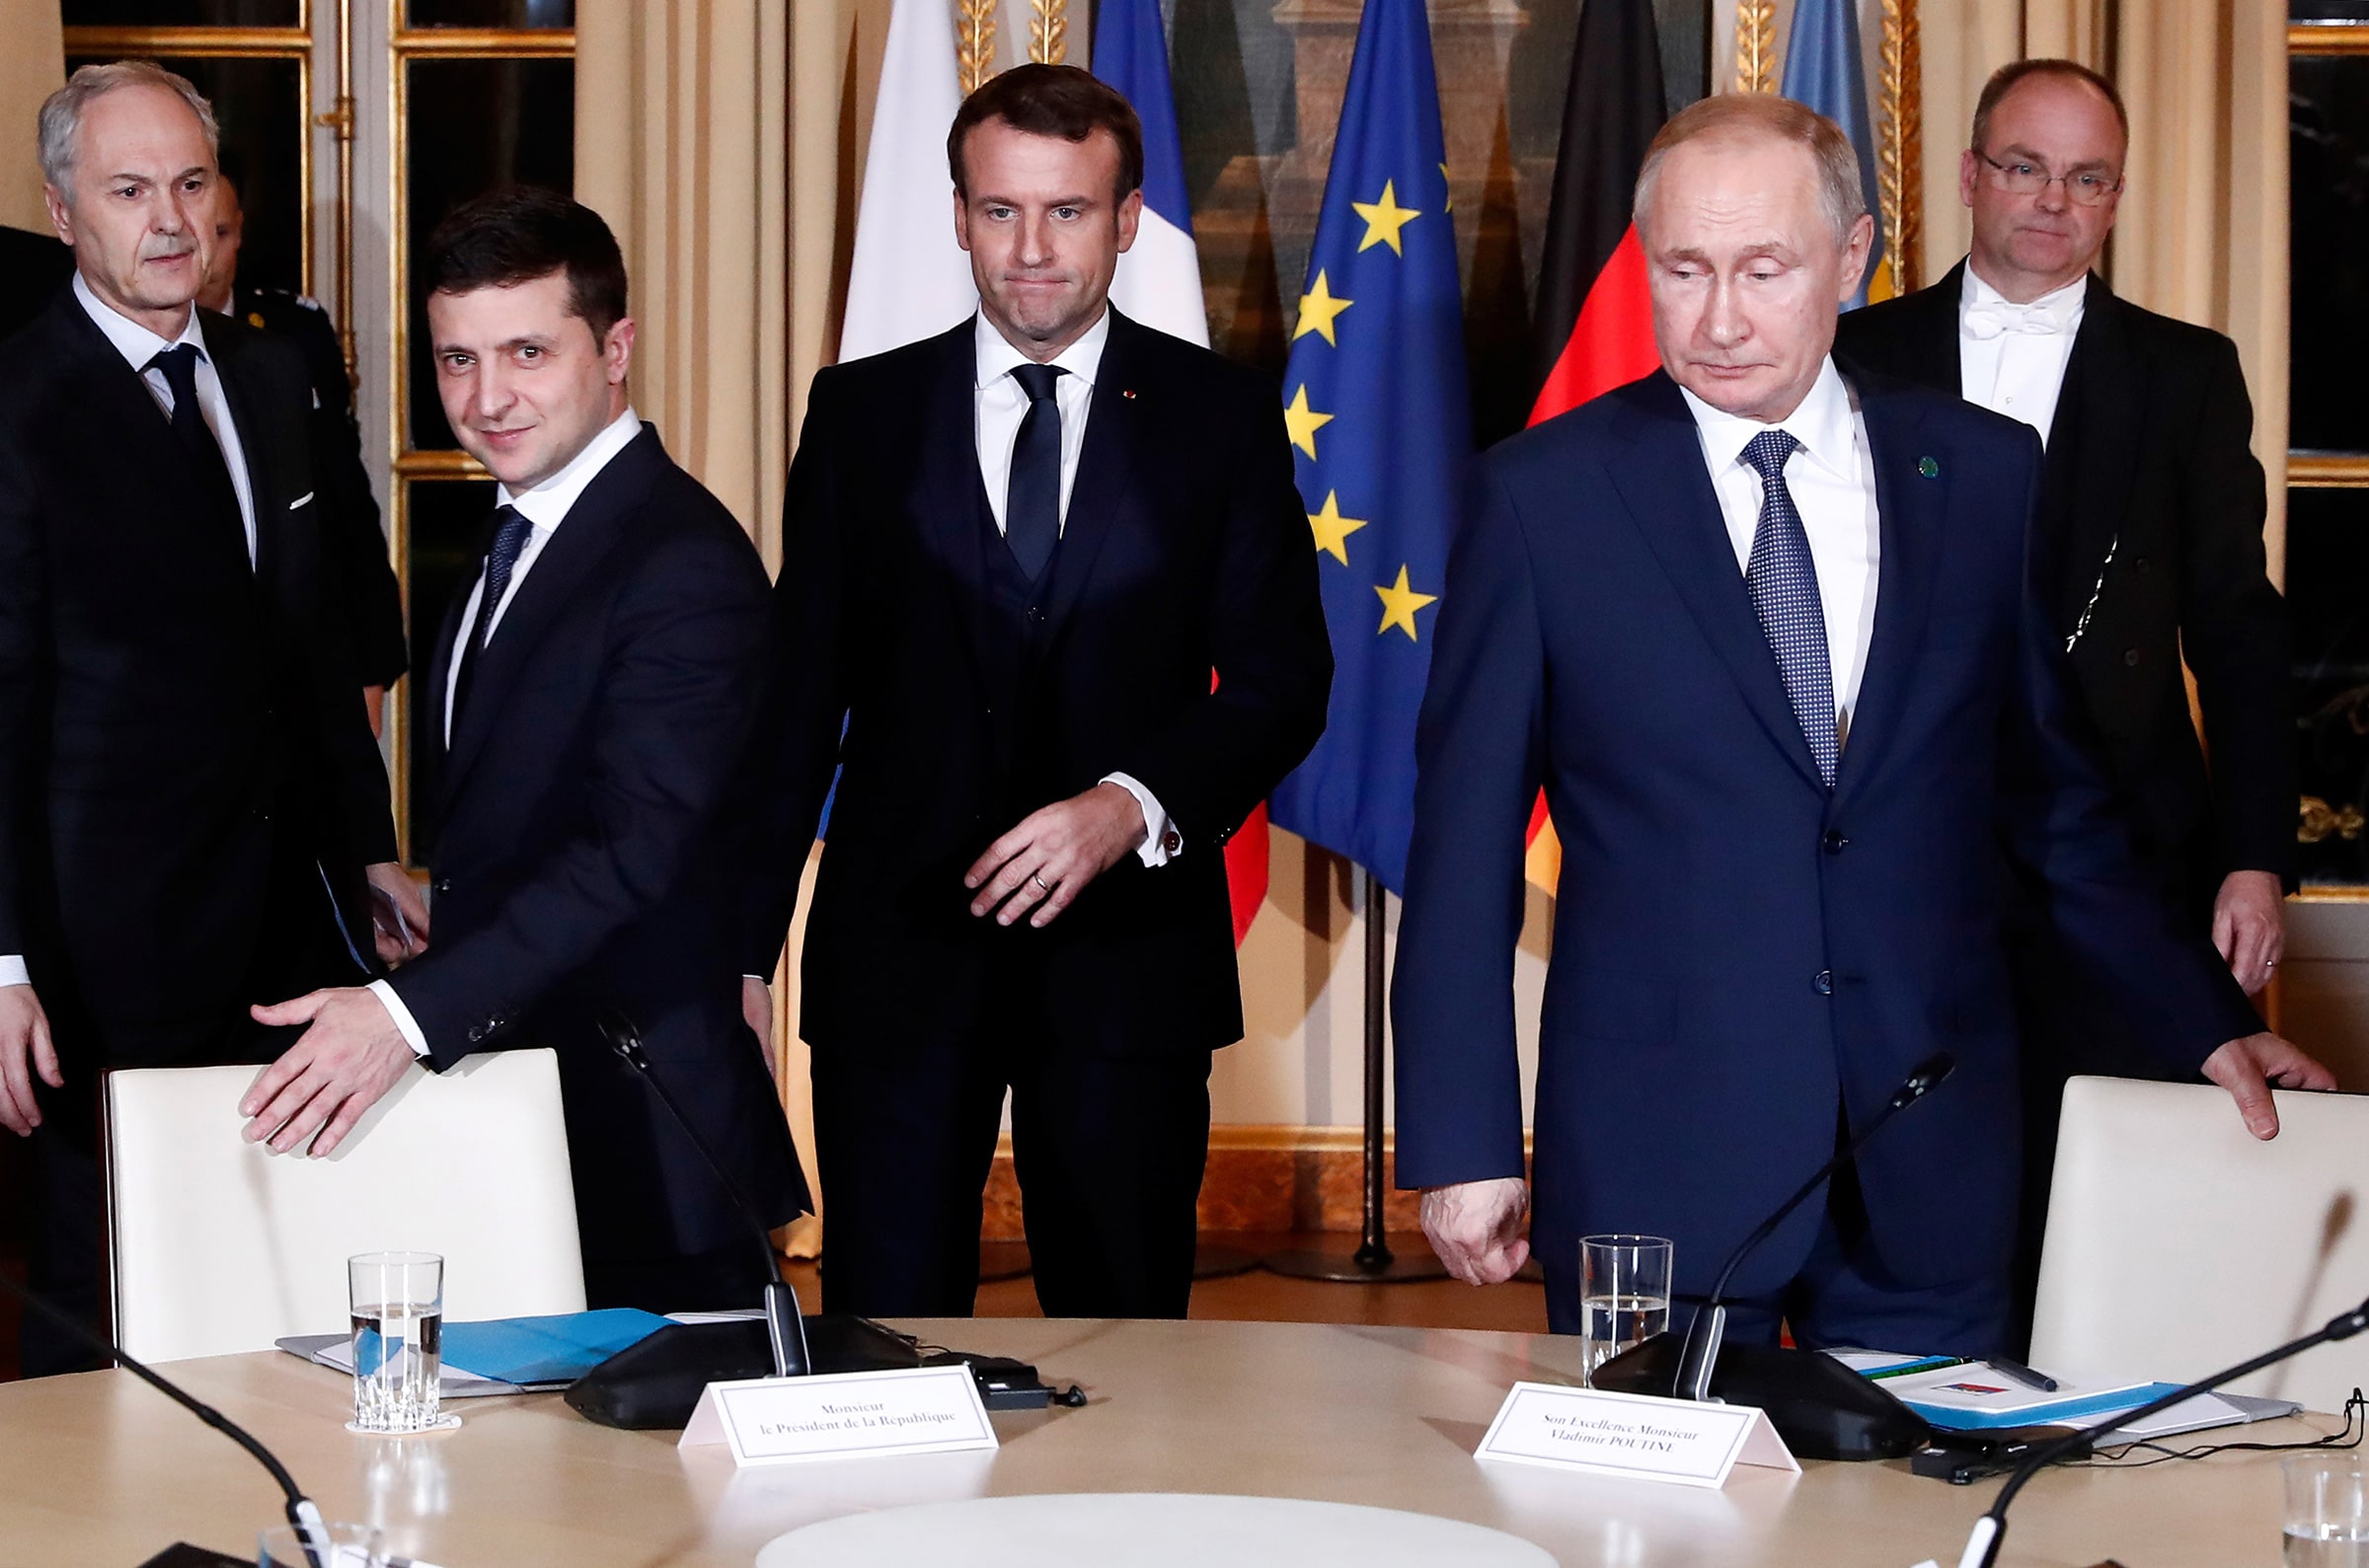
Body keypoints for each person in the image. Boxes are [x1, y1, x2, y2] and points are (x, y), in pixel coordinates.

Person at [1392, 93, 2331, 1356]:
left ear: (1851, 258)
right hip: (1661, 1152)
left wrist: (2204, 1017)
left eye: (1764, 269)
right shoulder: (1539, 499)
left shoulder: (1981, 474)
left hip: (1928, 1152)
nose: (1719, 318)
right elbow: (1460, 851)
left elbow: (2055, 809)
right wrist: (1456, 1138)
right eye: (1684, 270)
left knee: (1914, 1534)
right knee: (1658, 1547)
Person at [741, 64, 1331, 1319]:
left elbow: (1287, 680)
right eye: (1000, 210)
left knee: (1128, 1361)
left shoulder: (1217, 419)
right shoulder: (859, 415)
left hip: (1128, 971)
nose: (1031, 249)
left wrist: (1130, 803)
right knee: (885, 1342)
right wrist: (742, 951)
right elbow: (798, 700)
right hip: (898, 966)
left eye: (1067, 211)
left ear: (1126, 222)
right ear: (956, 215)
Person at [235, 188, 806, 1311]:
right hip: (532, 1125)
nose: (487, 399)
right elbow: (527, 810)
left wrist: (402, 1017)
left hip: (651, 1140)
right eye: (457, 361)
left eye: (528, 352)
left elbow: (634, 852)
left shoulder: (680, 559)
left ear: (617, 347)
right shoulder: (517, 533)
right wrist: (441, 900)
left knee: (668, 1486)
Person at [1833, 61, 2294, 1340]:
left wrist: (2255, 857)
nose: (2053, 201)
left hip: (2124, 854)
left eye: (2088, 179)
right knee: (1916, 1191)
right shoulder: (1856, 352)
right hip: (1907, 845)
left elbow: (2239, 635)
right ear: (1973, 175)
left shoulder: (2185, 372)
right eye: (2027, 167)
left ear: (2116, 201)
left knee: (2119, 1204)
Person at [0, 62, 419, 1375]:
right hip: (97, 944)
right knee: (103, 1298)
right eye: (130, 192)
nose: (170, 221)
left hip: (289, 924)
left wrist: (374, 854)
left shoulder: (267, 372)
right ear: (64, 209)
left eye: (189, 184)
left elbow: (311, 653)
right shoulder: (9, 405)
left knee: (294, 1268)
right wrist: (2, 963)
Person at [199, 176, 410, 734]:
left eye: (217, 231)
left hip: (299, 642)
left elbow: (344, 501)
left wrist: (372, 660)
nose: (200, 252)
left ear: (239, 231)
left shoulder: (292, 332)